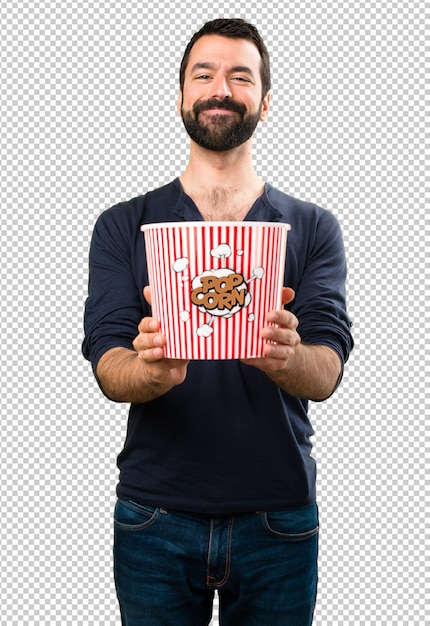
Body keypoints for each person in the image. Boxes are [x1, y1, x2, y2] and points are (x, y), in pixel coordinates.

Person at [82, 18, 353, 626]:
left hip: (278, 517)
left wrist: (289, 357)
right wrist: (150, 370)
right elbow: (107, 358)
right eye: (203, 74)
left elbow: (328, 366)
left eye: (240, 76)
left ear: (264, 99)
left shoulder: (313, 228)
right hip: (155, 514)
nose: (220, 88)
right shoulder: (124, 225)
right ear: (181, 94)